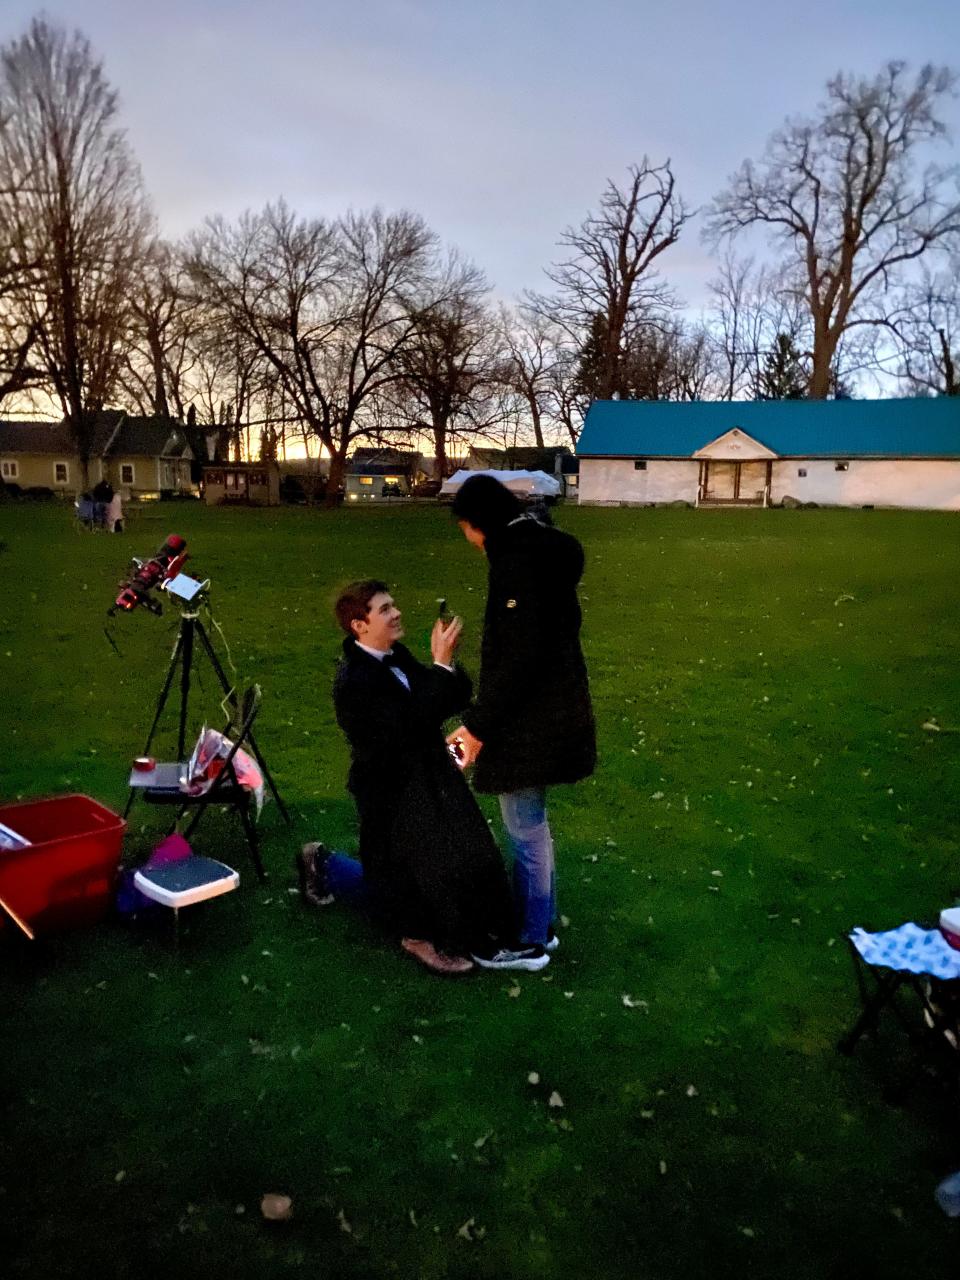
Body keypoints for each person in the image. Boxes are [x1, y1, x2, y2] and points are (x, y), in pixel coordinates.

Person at [298, 579, 550, 974]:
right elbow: (408, 726)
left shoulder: (396, 656)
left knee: (456, 860)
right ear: (358, 625)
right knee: (411, 881)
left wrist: (448, 663)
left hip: (430, 778)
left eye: (392, 605)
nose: (396, 612)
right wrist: (440, 665)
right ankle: (423, 934)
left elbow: (448, 698)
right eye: (384, 609)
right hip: (392, 792)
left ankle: (327, 864)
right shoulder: (355, 682)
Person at [446, 476, 596, 952]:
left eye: (465, 528)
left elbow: (518, 660)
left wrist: (476, 726)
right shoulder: (538, 552)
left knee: (524, 826)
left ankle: (532, 940)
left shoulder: (517, 564)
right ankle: (540, 919)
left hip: (531, 720)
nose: (467, 539)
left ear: (477, 524)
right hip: (552, 708)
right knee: (533, 822)